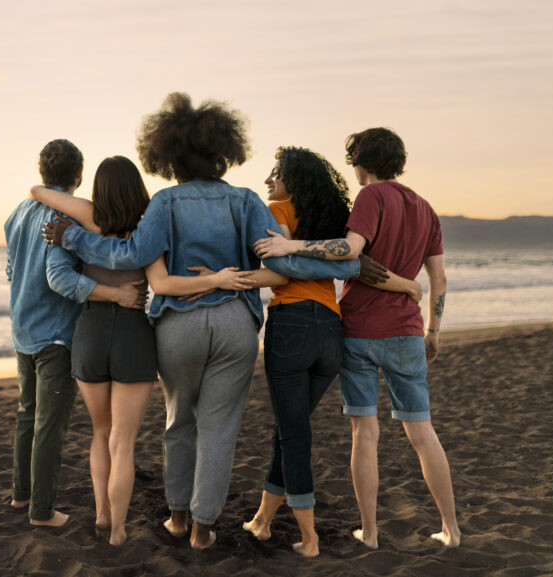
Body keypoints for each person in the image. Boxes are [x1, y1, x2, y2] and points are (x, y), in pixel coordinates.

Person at [42, 93, 385, 549]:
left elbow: (133, 255)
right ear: (223, 152)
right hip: (234, 324)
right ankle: (205, 529)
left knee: (179, 420)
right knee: (219, 426)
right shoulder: (244, 201)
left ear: (168, 155)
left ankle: (179, 519)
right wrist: (342, 265)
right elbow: (282, 265)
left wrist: (74, 237)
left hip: (178, 326)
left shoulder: (164, 201)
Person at [29, 155, 278, 545]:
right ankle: (126, 531)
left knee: (103, 432)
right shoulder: (148, 223)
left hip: (91, 330)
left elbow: (42, 200)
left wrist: (69, 232)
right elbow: (155, 277)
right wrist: (217, 279)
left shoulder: (84, 220)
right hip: (134, 335)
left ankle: (105, 514)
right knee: (126, 440)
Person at [254, 127, 461, 549]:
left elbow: (349, 252)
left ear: (359, 163)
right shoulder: (426, 209)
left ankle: (369, 532)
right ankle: (451, 529)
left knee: (365, 433)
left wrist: (292, 245)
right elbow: (437, 278)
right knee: (422, 433)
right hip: (407, 332)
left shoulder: (371, 196)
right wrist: (433, 330)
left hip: (360, 331)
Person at [4, 139, 148, 528]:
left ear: (42, 171)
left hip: (21, 327)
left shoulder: (17, 213)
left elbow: (11, 270)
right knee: (49, 424)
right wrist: (116, 293)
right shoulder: (61, 216)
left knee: (26, 415)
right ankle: (42, 512)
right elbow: (59, 277)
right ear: (79, 175)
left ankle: (21, 495)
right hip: (55, 334)